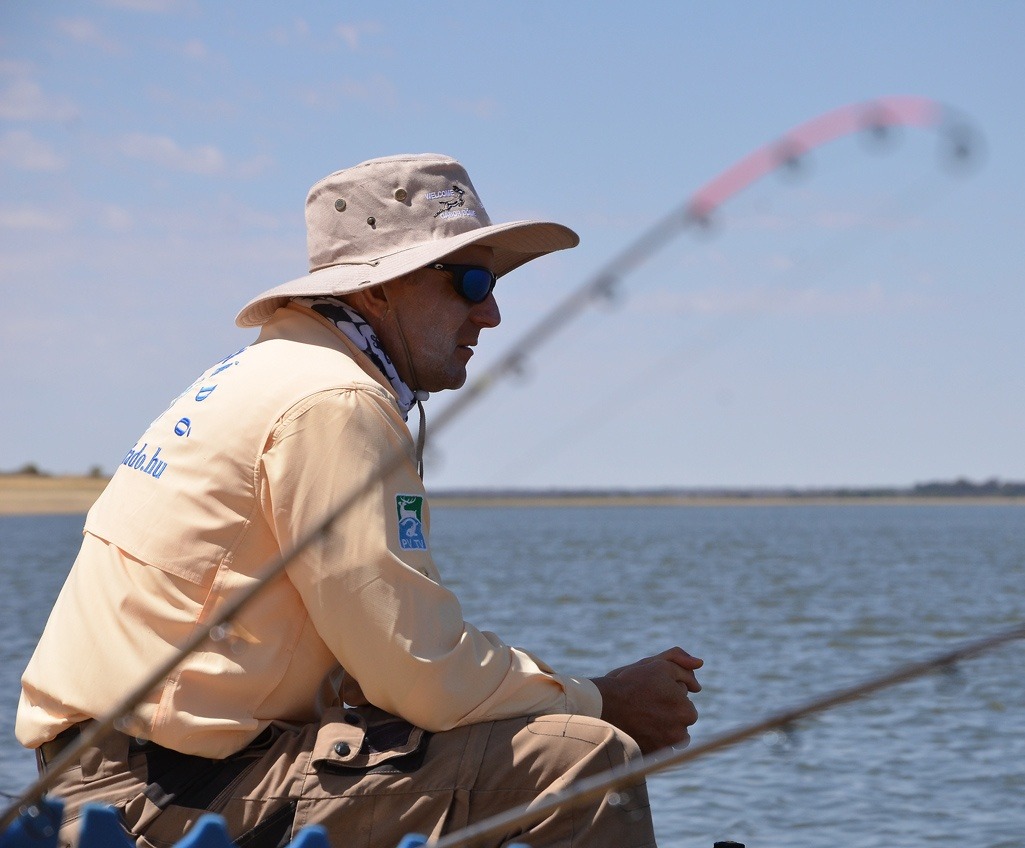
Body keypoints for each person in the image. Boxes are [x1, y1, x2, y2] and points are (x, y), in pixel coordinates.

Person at [16, 153, 702, 848]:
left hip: (104, 774)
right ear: (378, 291)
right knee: (582, 758)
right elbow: (419, 676)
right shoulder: (334, 403)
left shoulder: (264, 374)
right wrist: (603, 701)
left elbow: (391, 668)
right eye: (471, 280)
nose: (491, 313)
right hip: (156, 792)